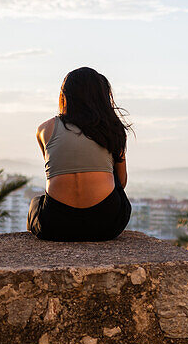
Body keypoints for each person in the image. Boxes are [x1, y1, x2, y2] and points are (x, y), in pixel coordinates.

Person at [28, 67, 132, 241]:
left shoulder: (44, 129)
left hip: (55, 225)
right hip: (106, 224)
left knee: (35, 203)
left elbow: (55, 171)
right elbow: (121, 182)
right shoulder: (113, 129)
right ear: (102, 97)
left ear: (65, 95)